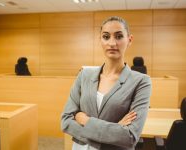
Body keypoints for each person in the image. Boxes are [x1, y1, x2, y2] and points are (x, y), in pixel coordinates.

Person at [61, 16, 152, 150]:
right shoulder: (84, 75)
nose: (112, 43)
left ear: (129, 40)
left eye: (119, 36)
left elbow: (129, 137)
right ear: (100, 40)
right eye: (106, 37)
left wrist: (85, 120)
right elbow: (66, 122)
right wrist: (115, 129)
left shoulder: (141, 82)